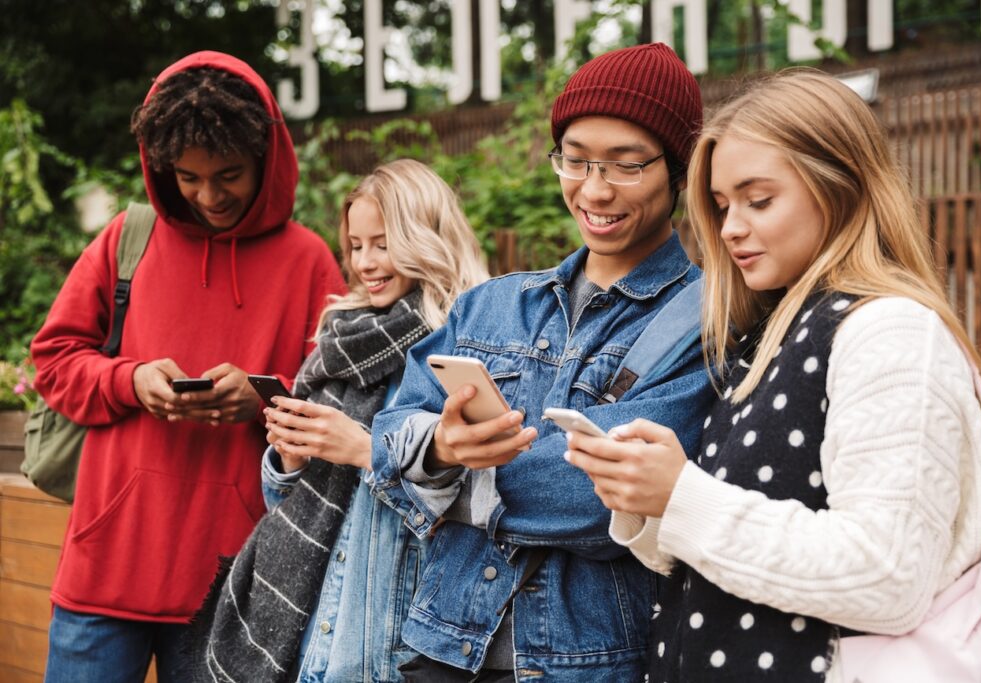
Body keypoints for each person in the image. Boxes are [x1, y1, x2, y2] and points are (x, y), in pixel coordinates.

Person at [565, 69, 981, 682]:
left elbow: (888, 576)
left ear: (840, 187)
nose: (731, 226)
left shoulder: (890, 331)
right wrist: (648, 504)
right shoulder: (772, 331)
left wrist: (684, 495)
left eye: (758, 200)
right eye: (721, 205)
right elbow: (732, 553)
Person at [367, 43, 713, 681]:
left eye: (626, 165)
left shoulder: (705, 324)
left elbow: (593, 497)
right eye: (576, 160)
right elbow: (386, 439)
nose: (595, 189)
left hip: (587, 664)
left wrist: (444, 476)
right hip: (440, 649)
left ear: (680, 170)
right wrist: (439, 446)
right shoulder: (491, 306)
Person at [30, 51, 345, 681]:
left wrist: (263, 401)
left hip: (230, 582)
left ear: (267, 156)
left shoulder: (309, 262)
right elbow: (54, 362)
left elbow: (335, 408)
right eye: (188, 177)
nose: (208, 196)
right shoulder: (129, 237)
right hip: (106, 569)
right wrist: (131, 380)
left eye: (228, 174)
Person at [195, 159, 489, 682]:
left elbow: (478, 507)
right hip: (305, 625)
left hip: (383, 632)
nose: (366, 263)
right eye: (355, 246)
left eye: (383, 243)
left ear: (425, 238)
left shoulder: (466, 349)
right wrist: (288, 456)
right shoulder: (343, 339)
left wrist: (362, 447)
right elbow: (285, 504)